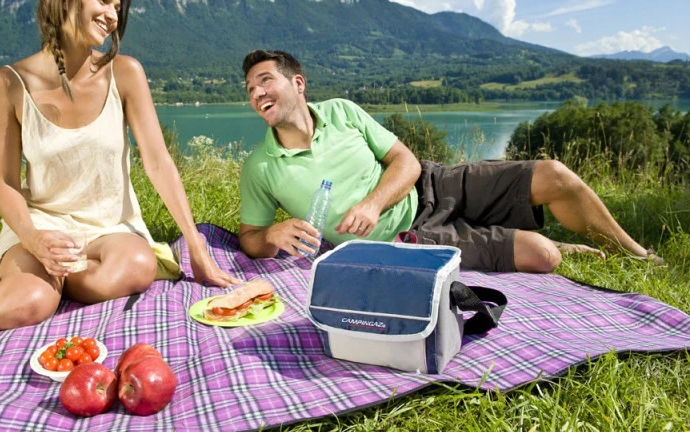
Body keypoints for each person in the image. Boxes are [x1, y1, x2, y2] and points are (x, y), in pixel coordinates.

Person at [0, 0, 239, 328]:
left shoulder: (125, 72)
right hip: (41, 223)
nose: (113, 15)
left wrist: (196, 246)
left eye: (117, 7)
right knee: (25, 306)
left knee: (139, 267)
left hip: (110, 227)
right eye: (103, 0)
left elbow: (157, 161)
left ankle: (41, 282)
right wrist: (33, 240)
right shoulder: (6, 83)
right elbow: (5, 183)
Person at [238, 49, 664, 272]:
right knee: (543, 256)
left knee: (553, 174)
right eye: (250, 89)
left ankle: (634, 255)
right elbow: (250, 238)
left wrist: (372, 204)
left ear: (298, 83)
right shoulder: (260, 166)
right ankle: (560, 245)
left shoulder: (342, 111)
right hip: (404, 241)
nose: (257, 93)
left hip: (432, 185)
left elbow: (406, 162)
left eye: (265, 80)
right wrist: (272, 233)